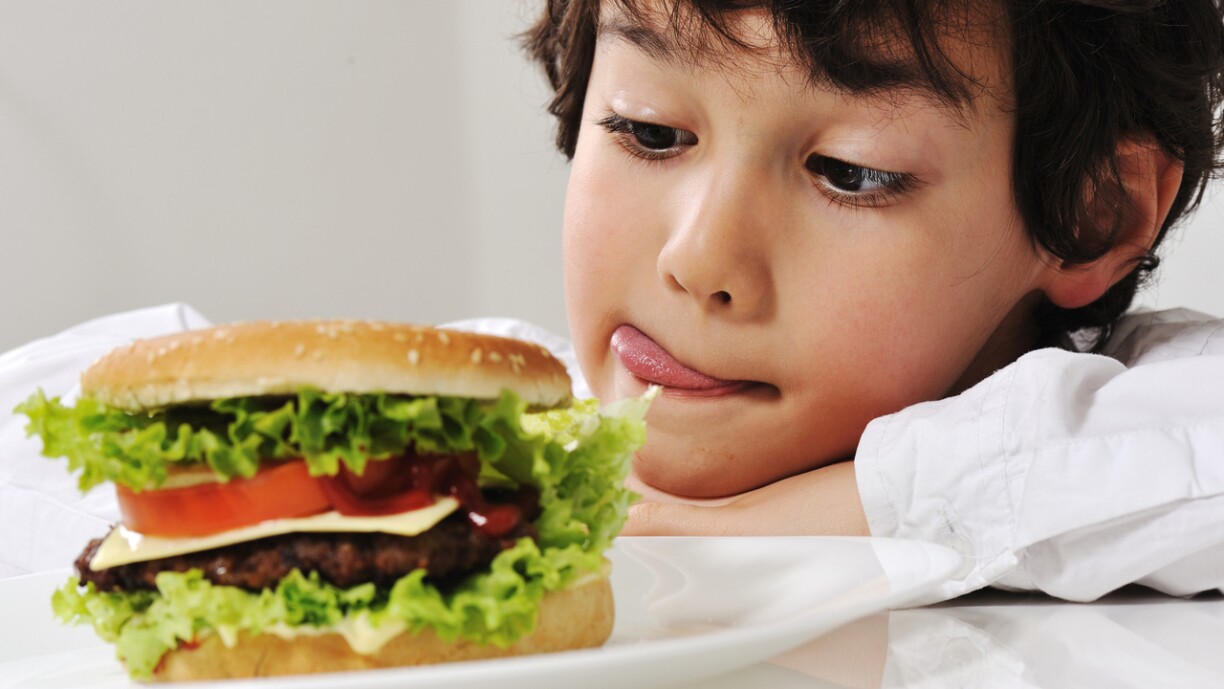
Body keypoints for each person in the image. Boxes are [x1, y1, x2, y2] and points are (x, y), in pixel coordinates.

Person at [516, 0, 1224, 603]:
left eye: (849, 172)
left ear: (1092, 214)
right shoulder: (498, 425)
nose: (699, 259)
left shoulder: (1141, 417)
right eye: (650, 131)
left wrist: (746, 531)